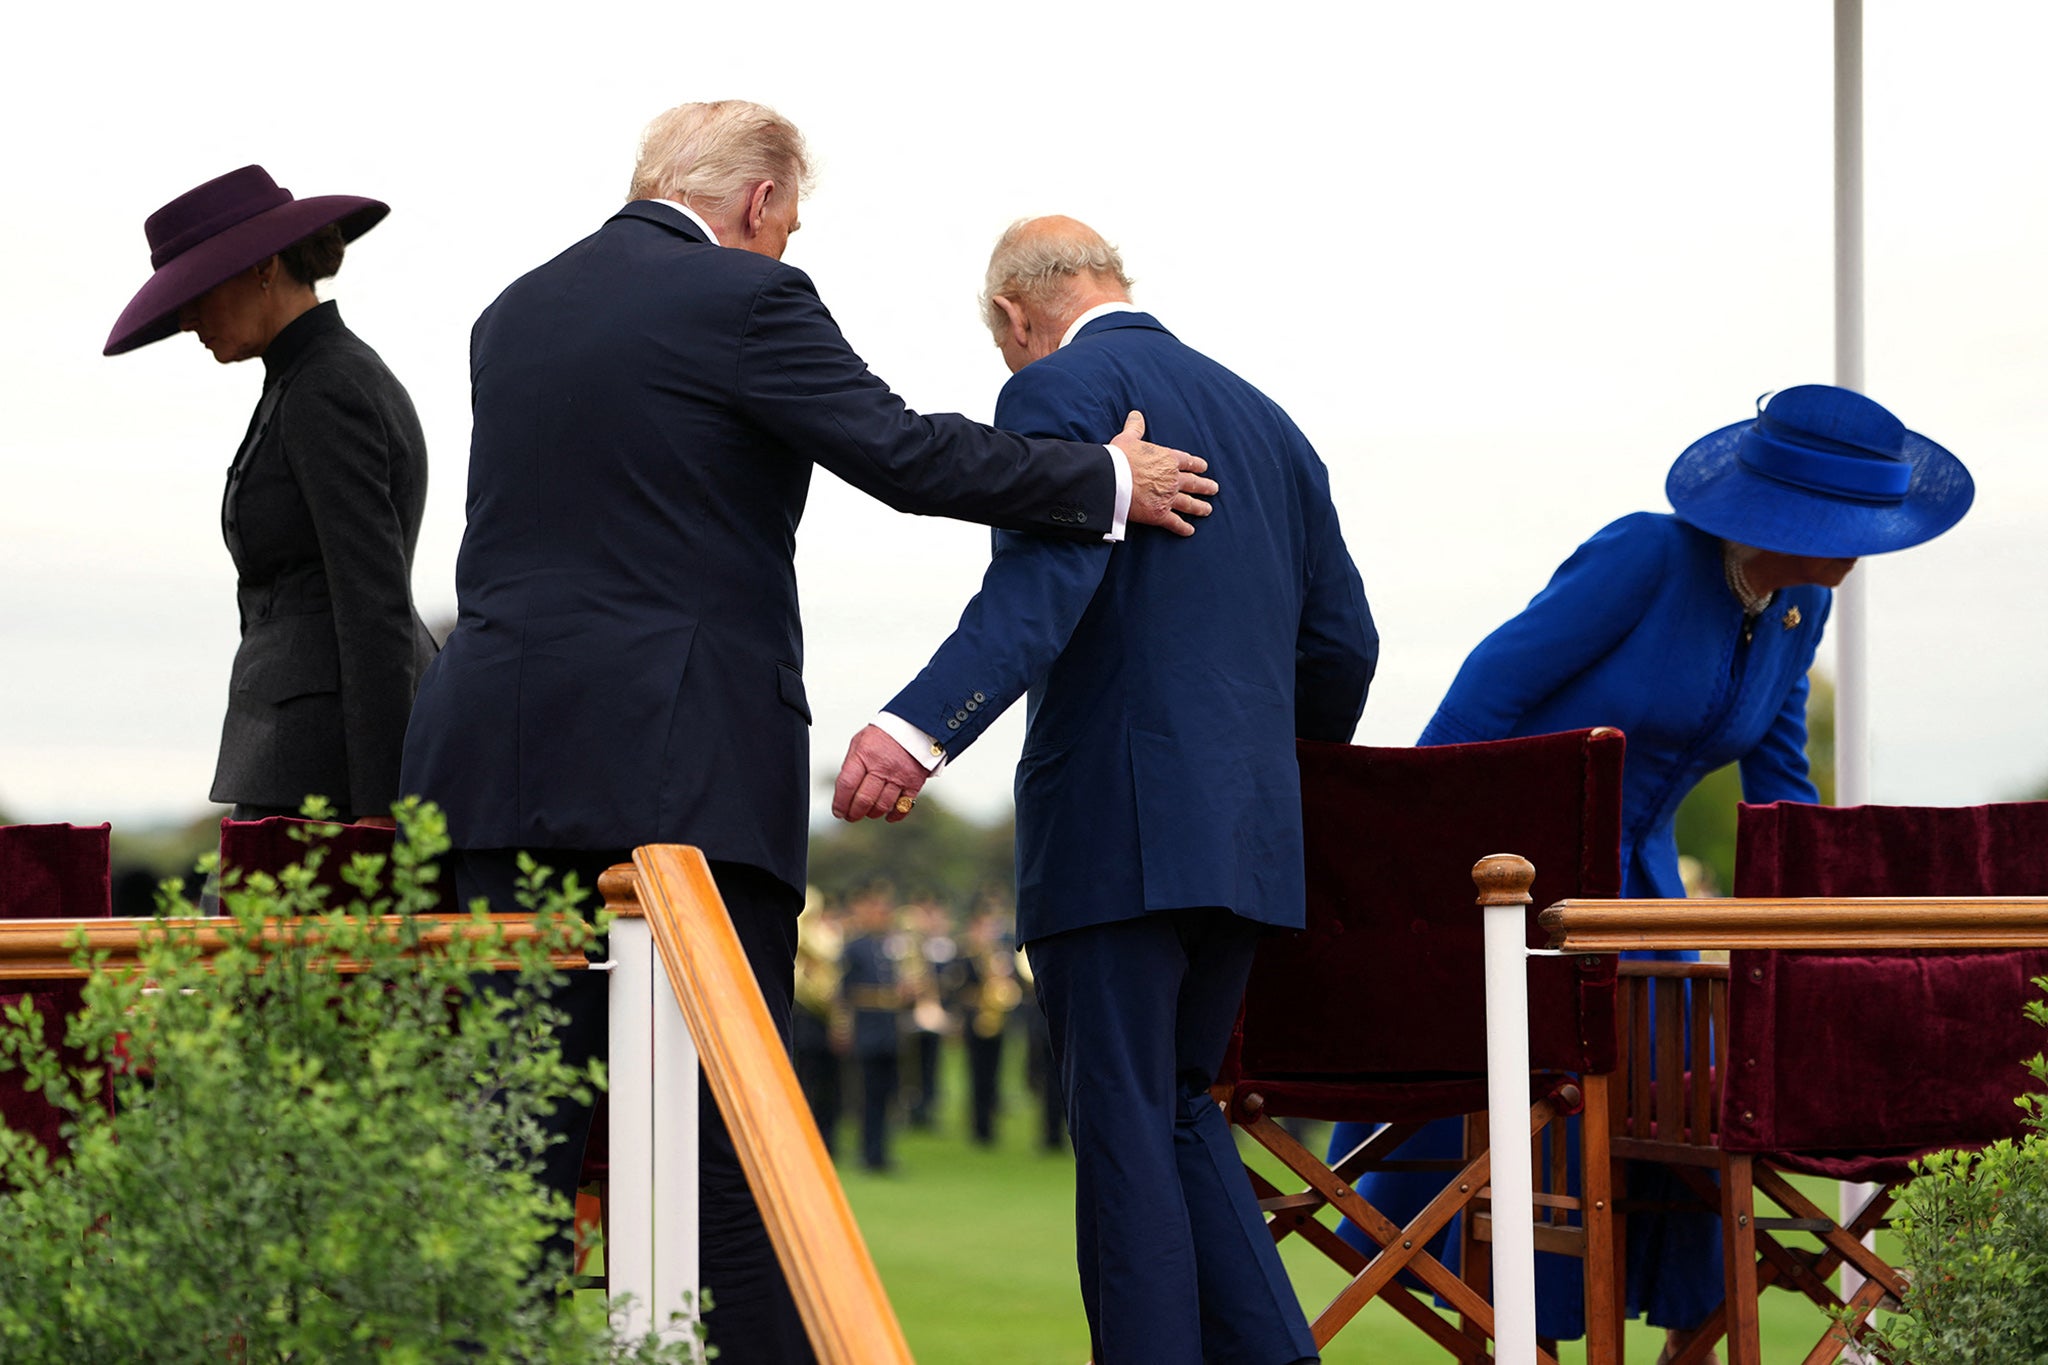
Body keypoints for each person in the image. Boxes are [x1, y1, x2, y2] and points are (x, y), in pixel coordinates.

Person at [397, 102, 1214, 1364]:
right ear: (762, 205)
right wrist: (1101, 479)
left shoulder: (513, 310)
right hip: (679, 768)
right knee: (735, 1144)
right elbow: (897, 452)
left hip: (491, 758)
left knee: (512, 1145)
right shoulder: (745, 298)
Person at [1324, 383, 1975, 1357]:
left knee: (1694, 1111)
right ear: (1778, 512)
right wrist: (1428, 888)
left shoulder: (1799, 603)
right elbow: (1473, 711)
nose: (1862, 543)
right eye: (1843, 521)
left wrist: (1826, 932)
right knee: (1536, 1134)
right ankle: (1527, 1344)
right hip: (1519, 895)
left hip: (1649, 904)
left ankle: (1691, 1341)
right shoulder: (1641, 555)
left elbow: (1780, 789)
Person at [833, 216, 1378, 1364]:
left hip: (1117, 827)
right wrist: (1260, 784)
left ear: (1011, 319)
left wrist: (916, 731)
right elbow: (1343, 645)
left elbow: (1041, 590)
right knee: (1179, 1114)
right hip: (1245, 838)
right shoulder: (1269, 421)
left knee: (1125, 1126)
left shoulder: (1056, 389)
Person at [106, 166, 434, 828]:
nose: (189, 317)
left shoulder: (324, 390)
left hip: (321, 777)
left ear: (262, 269)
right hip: (298, 759)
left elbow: (372, 606)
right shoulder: (305, 381)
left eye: (199, 292)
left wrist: (380, 811)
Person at [838, 885, 907, 1172]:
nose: (883, 915)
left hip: (889, 1028)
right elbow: (844, 991)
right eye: (877, 909)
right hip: (867, 1026)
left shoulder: (891, 945)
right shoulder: (854, 946)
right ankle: (867, 1153)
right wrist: (842, 1026)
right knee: (866, 1095)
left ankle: (881, 1151)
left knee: (887, 1093)